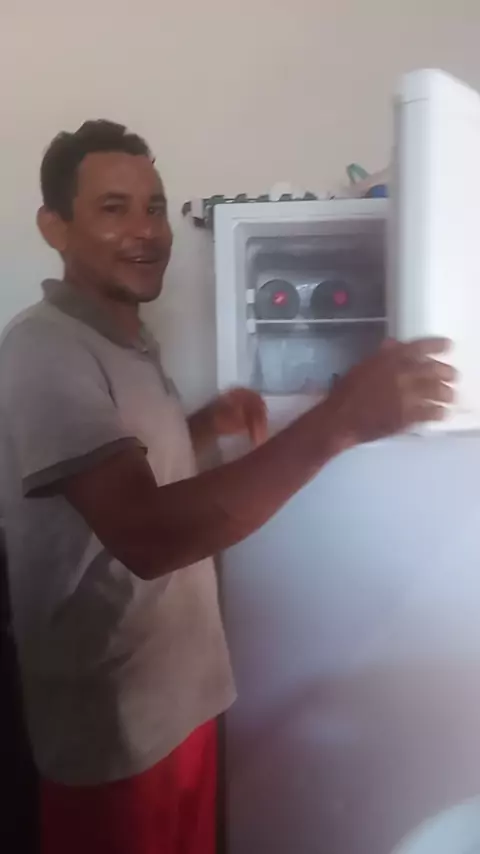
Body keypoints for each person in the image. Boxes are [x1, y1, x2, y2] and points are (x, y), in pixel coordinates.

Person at [0, 120, 455, 854]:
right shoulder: (44, 347)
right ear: (54, 227)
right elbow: (145, 534)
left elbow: (121, 472)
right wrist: (340, 418)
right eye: (114, 208)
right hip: (113, 732)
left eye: (154, 207)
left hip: (185, 697)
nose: (146, 230)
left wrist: (201, 427)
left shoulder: (127, 342)